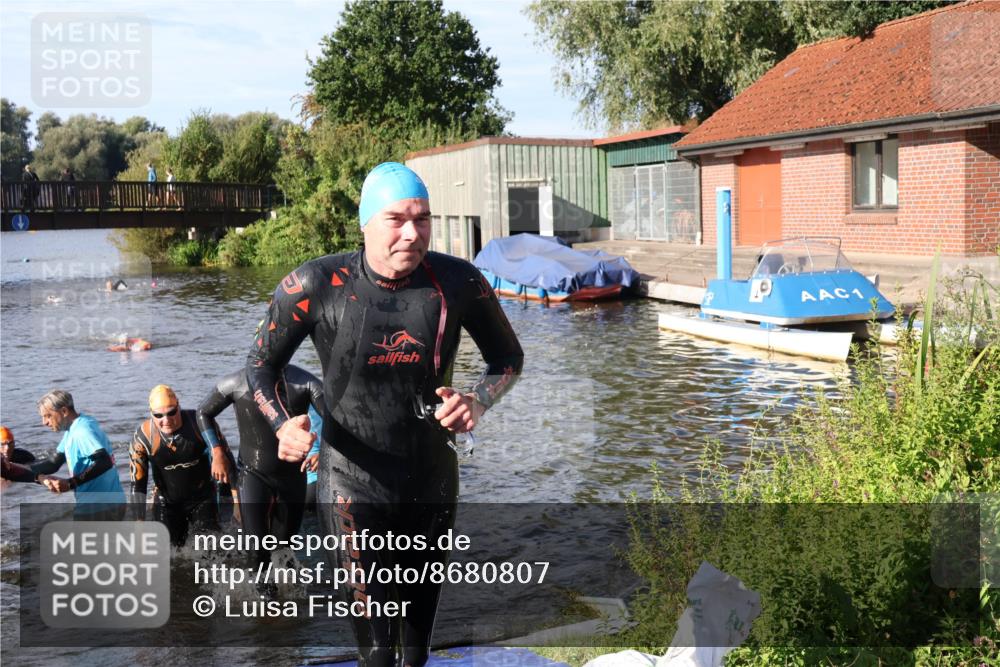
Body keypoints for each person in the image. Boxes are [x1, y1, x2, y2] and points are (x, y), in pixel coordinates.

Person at [246, 162, 523, 667]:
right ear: (365, 222)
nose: (412, 234)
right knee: (376, 647)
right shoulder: (315, 283)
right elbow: (261, 365)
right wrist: (282, 422)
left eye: (423, 219)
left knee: (416, 643)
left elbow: (508, 358)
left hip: (432, 478)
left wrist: (478, 399)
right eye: (397, 219)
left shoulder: (458, 281)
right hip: (352, 481)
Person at [197, 365, 323, 584]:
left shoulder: (304, 382)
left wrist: (324, 451)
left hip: (292, 476)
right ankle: (264, 607)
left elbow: (334, 417)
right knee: (256, 550)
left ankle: (290, 610)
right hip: (252, 473)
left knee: (284, 550)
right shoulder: (237, 382)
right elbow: (204, 412)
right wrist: (217, 451)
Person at [130, 385, 230, 546]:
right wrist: (139, 522)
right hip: (167, 502)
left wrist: (231, 499)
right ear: (151, 414)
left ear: (179, 406)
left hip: (202, 498)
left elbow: (226, 461)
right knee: (169, 553)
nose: (166, 420)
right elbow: (138, 483)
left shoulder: (198, 423)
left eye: (171, 412)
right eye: (158, 415)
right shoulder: (143, 437)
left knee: (210, 551)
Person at [31, 390, 126, 516]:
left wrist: (71, 484)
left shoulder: (81, 432)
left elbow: (104, 461)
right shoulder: (75, 426)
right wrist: (15, 468)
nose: (44, 422)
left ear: (64, 411)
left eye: (48, 416)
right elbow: (53, 463)